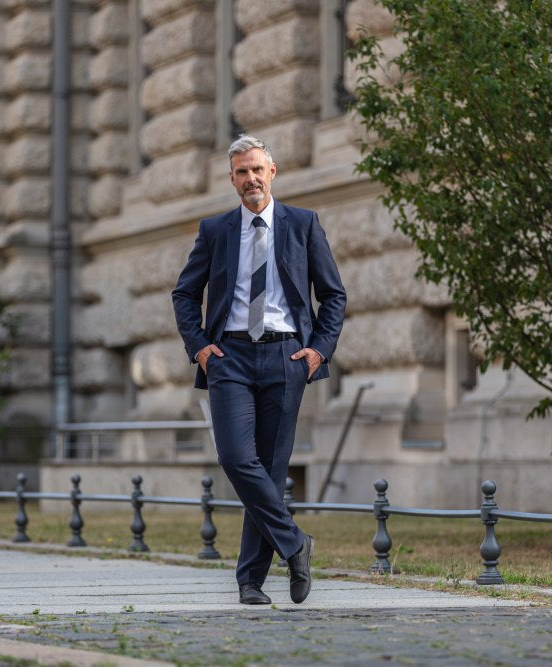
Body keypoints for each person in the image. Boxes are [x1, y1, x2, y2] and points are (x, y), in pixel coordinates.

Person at [172, 134, 347, 605]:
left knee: (268, 472)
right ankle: (295, 544)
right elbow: (184, 294)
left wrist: (319, 351)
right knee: (234, 457)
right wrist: (200, 347)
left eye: (257, 170)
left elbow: (333, 295)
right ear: (232, 180)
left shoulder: (304, 224)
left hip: (286, 356)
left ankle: (250, 581)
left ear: (273, 172)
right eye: (241, 172)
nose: (250, 178)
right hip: (228, 356)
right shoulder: (215, 230)